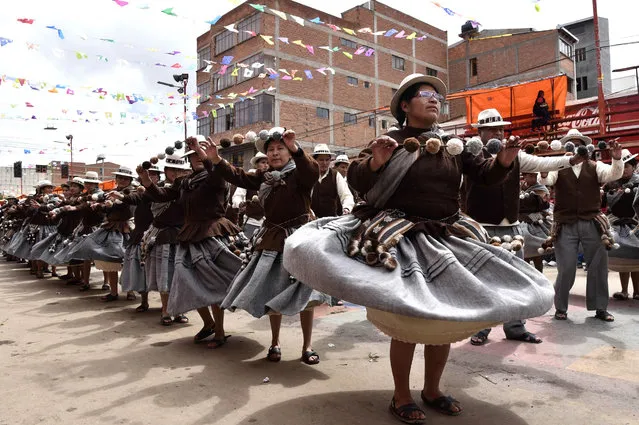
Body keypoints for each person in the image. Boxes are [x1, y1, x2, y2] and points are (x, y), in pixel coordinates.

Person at [283, 73, 553, 424]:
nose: (434, 100)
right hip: (400, 237)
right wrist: (376, 162)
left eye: (437, 96)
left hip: (445, 236)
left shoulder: (453, 144)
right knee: (408, 318)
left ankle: (432, 390)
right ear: (405, 106)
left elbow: (484, 174)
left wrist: (505, 160)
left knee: (441, 315)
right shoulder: (389, 140)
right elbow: (359, 180)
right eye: (425, 95)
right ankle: (401, 395)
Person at [204, 127, 331, 365]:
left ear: (289, 152)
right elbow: (239, 176)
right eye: (270, 149)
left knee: (307, 295)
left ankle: (307, 346)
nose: (274, 153)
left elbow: (311, 171)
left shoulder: (300, 174)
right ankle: (275, 343)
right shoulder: (264, 177)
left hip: (301, 239)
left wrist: (296, 147)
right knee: (274, 291)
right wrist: (216, 159)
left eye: (280, 149)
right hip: (272, 238)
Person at [464, 108, 584, 346]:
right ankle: (481, 327)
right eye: (491, 129)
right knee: (483, 280)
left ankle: (515, 327)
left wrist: (570, 160)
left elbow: (542, 161)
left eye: (500, 128)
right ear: (480, 132)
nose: (497, 132)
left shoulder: (516, 155)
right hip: (482, 228)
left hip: (512, 228)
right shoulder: (470, 156)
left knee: (517, 279)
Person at [136, 136, 242, 346]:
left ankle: (220, 332)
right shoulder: (185, 182)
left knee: (214, 283)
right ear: (189, 161)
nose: (197, 158)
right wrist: (146, 180)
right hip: (189, 235)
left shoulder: (216, 176)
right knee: (187, 282)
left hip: (212, 233)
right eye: (193, 155)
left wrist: (206, 155)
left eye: (200, 154)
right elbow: (163, 195)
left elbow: (215, 173)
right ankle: (208, 323)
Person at [539, 129, 624, 322]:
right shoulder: (558, 167)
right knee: (567, 267)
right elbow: (546, 180)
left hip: (592, 222)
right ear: (565, 148)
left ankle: (600, 308)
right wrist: (543, 172)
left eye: (578, 143)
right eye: (571, 144)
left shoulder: (595, 166)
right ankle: (560, 307)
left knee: (599, 266)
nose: (576, 147)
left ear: (585, 147)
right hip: (565, 223)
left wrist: (617, 159)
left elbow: (613, 174)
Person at [66, 167, 137, 301]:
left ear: (130, 180)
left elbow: (125, 204)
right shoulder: (109, 193)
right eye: (120, 178)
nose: (122, 180)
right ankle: (114, 292)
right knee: (110, 262)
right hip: (110, 227)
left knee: (129, 261)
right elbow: (104, 206)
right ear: (116, 179)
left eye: (125, 178)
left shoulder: (132, 192)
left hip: (128, 229)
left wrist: (108, 204)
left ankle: (130, 291)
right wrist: (100, 206)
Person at [118, 165, 161, 308]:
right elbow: (133, 198)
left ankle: (167, 306)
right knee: (141, 270)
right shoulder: (140, 193)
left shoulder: (165, 191)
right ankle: (144, 301)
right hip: (140, 235)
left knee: (164, 271)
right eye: (148, 174)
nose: (150, 176)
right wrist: (121, 196)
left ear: (159, 177)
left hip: (161, 235)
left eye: (154, 175)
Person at [602, 149, 639, 300]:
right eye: (621, 167)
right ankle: (624, 290)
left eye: (627, 167)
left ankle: (637, 291)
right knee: (623, 255)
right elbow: (603, 203)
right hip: (616, 223)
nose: (624, 170)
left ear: (633, 167)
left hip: (636, 224)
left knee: (637, 257)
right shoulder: (610, 184)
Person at [518, 172, 552, 272]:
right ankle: (528, 277)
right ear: (525, 176)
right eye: (530, 175)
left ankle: (540, 275)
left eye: (534, 176)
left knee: (537, 254)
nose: (533, 178)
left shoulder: (541, 189)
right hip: (521, 222)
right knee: (524, 255)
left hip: (536, 222)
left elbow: (542, 204)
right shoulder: (520, 187)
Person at [311, 144, 355, 217]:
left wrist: (347, 208)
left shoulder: (335, 175)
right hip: (311, 220)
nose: (324, 163)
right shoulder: (309, 175)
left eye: (327, 160)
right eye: (321, 160)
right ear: (315, 160)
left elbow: (346, 195)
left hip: (330, 220)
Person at [232, 152, 268, 237]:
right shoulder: (249, 178)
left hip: (269, 224)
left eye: (268, 163)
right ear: (256, 165)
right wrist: (241, 204)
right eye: (263, 162)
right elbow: (237, 196)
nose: (266, 165)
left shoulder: (273, 179)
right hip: (252, 222)